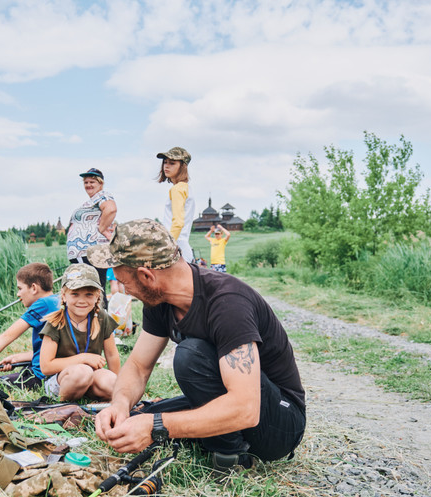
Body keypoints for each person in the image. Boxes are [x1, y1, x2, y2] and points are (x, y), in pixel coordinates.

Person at [88, 219, 306, 470]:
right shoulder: (159, 302)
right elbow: (138, 365)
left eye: (125, 282)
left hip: (279, 424)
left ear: (147, 276)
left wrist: (158, 427)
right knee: (137, 421)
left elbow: (247, 408)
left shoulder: (227, 304)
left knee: (191, 355)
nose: (126, 291)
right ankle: (207, 434)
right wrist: (120, 405)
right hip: (237, 403)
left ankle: (230, 454)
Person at [38, 263, 121, 400]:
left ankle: (92, 395)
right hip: (60, 380)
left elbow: (112, 355)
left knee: (111, 382)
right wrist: (82, 358)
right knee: (82, 372)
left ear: (97, 296)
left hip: (91, 375)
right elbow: (46, 367)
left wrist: (119, 390)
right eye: (75, 294)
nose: (81, 301)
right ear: (64, 296)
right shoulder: (55, 322)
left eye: (89, 294)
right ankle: (65, 405)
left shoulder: (102, 318)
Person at [0, 263, 60, 389]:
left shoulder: (43, 304)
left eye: (20, 288)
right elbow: (52, 349)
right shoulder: (57, 300)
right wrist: (17, 357)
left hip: (40, 376)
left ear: (34, 288)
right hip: (53, 370)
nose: (18, 294)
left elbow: (8, 335)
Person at [66, 168, 117, 301]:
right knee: (94, 289)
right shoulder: (94, 200)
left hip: (90, 252)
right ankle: (98, 318)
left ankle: (99, 318)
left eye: (92, 182)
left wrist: (102, 228)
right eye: (86, 182)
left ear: (100, 183)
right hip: (84, 253)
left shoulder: (103, 195)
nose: (88, 185)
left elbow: (111, 209)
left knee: (94, 289)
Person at [157, 147, 195, 263]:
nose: (166, 166)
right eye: (165, 162)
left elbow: (178, 222)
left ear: (182, 166)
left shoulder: (177, 189)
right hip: (182, 245)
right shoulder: (185, 187)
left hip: (175, 247)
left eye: (172, 163)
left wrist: (167, 246)